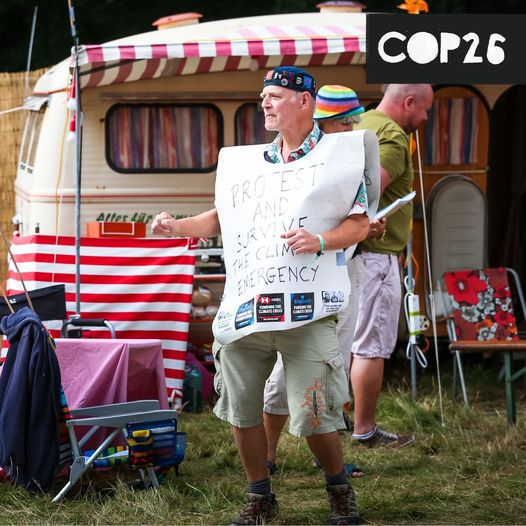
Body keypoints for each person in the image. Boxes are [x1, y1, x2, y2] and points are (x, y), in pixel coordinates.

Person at [152, 67, 371, 525]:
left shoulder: (340, 158)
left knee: (316, 412)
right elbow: (222, 217)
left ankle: (339, 490)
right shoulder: (250, 164)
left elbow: (359, 224)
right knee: (242, 407)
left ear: (304, 101)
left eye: (274, 95)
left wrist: (320, 240)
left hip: (307, 310)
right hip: (248, 307)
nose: (265, 103)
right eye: (263, 96)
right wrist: (178, 226)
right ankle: (259, 496)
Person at [263, 85, 385, 477]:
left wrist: (365, 226)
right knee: (285, 367)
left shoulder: (346, 160)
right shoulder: (288, 161)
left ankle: (324, 456)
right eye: (345, 122)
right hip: (299, 275)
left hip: (342, 270)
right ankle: (266, 457)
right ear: (322, 123)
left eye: (353, 121)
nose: (352, 128)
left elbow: (352, 217)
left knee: (335, 363)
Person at [350, 84, 434, 448]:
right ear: (409, 102)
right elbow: (366, 193)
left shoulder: (362, 121)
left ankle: (341, 420)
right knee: (371, 346)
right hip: (375, 255)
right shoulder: (395, 138)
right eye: (425, 109)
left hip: (351, 253)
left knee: (350, 341)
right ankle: (365, 430)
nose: (426, 118)